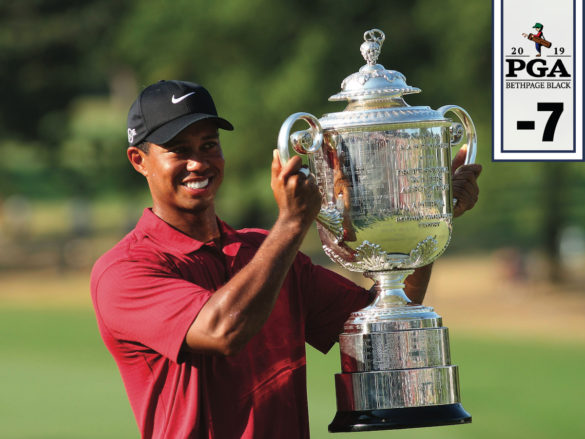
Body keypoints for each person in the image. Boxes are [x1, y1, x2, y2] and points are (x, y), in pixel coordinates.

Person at [91, 80, 482, 439]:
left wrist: (425, 218)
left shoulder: (265, 253)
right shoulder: (124, 270)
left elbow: (385, 326)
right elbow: (223, 330)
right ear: (138, 160)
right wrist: (293, 222)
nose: (198, 163)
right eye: (179, 150)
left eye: (209, 145)